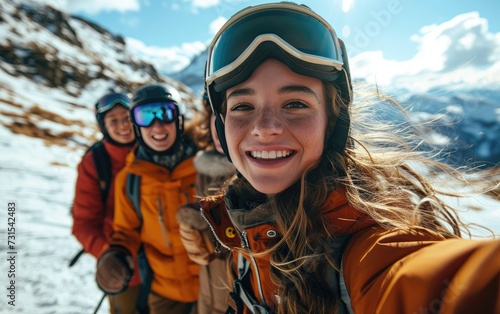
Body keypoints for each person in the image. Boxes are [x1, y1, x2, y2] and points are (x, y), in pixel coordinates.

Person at [198, 2, 500, 314]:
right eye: (242, 106)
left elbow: (436, 283)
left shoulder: (369, 247)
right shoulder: (246, 216)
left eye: (295, 104)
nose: (265, 128)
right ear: (222, 125)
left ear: (332, 121)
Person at [95, 83, 200, 314]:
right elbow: (125, 232)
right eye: (146, 116)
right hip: (164, 294)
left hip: (214, 288)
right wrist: (116, 256)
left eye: (165, 113)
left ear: (179, 119)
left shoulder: (203, 167)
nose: (157, 125)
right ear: (136, 125)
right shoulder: (129, 179)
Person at [71, 92, 142, 314]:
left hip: (168, 263)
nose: (123, 125)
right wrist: (108, 255)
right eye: (113, 120)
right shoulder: (95, 162)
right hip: (128, 268)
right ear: (103, 126)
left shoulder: (155, 145)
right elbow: (84, 223)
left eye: (127, 117)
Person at [177, 91, 236, 313]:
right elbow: (205, 257)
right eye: (216, 116)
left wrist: (212, 233)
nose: (221, 127)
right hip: (209, 296)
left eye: (231, 114)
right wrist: (196, 238)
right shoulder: (204, 170)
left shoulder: (258, 177)